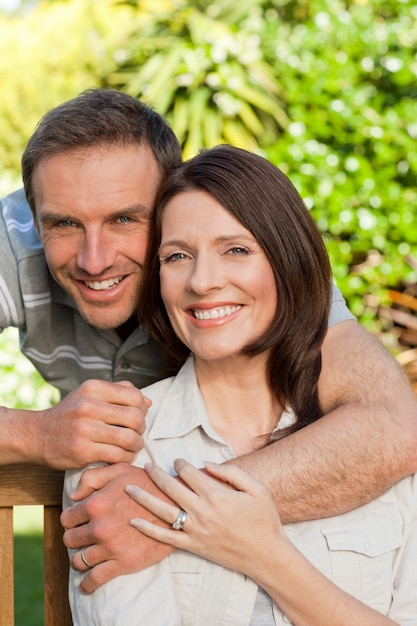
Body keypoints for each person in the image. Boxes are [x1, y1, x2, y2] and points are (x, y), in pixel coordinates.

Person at [0, 89, 416, 591]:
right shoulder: (13, 236)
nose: (94, 259)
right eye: (64, 223)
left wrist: (171, 509)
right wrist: (36, 434)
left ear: (172, 202)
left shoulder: (244, 256)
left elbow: (394, 425)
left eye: (125, 219)